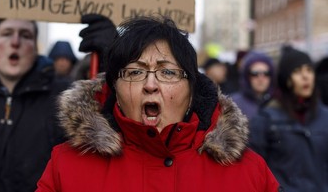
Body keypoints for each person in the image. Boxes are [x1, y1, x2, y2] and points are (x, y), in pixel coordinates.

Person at [36, 16, 280, 192]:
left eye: (168, 73)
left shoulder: (250, 173)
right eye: (133, 72)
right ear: (115, 90)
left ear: (191, 89)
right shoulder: (66, 167)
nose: (150, 84)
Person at [0, 18, 71, 192]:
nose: (15, 42)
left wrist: (111, 62)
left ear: (35, 48)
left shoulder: (64, 102)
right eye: (6, 34)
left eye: (25, 35)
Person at [249, 46, 328, 192]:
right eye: (297, 71)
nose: (306, 77)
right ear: (287, 79)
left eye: (309, 70)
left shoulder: (324, 117)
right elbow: (253, 169)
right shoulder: (267, 119)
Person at [231, 51, 275, 119]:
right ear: (247, 77)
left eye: (266, 73)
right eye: (255, 73)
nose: (261, 78)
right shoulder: (233, 104)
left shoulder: (279, 103)